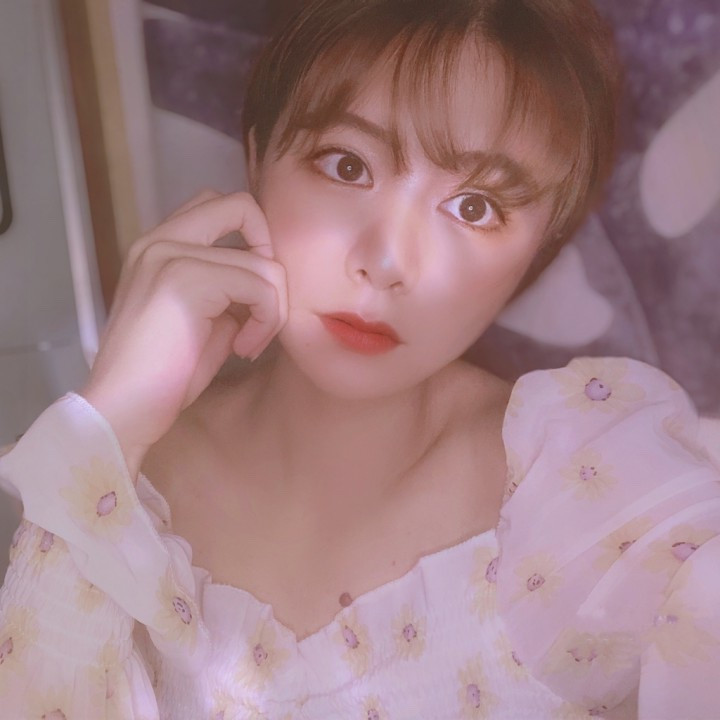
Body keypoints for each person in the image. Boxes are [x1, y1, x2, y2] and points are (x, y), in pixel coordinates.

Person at [1, 0, 719, 717]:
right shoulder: (115, 485)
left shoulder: (595, 489)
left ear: (539, 249)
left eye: (474, 208)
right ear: (257, 156)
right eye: (347, 165)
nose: (387, 261)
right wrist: (109, 429)